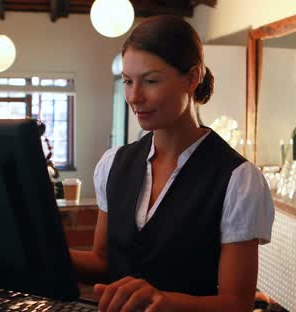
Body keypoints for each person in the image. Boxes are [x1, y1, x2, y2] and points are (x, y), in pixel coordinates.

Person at [70, 15, 275, 312]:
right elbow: (103, 262)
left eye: (150, 81)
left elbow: (237, 304)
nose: (134, 97)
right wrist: (41, 251)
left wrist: (166, 302)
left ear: (192, 78)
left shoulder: (238, 180)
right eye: (128, 81)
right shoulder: (113, 163)